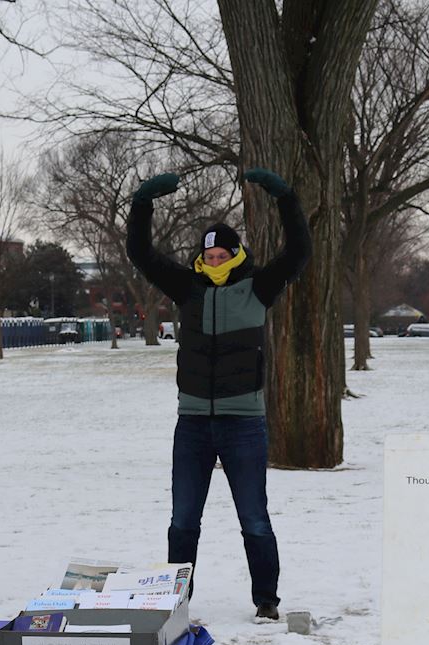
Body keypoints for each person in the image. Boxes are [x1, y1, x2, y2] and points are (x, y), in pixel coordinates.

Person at [126, 168, 311, 621]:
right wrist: (143, 203)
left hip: (243, 424)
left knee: (254, 518)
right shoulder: (185, 288)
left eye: (221, 254)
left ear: (235, 254)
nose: (212, 261)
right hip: (192, 424)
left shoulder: (258, 287)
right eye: (207, 255)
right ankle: (176, 601)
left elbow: (298, 252)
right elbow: (141, 253)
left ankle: (266, 600)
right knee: (183, 521)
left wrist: (285, 197)